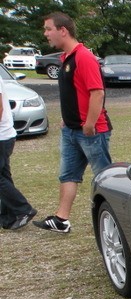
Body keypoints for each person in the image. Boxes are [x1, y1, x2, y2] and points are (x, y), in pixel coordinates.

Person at [34, 12, 112, 234]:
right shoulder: (66, 58)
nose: (46, 34)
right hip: (70, 131)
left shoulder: (84, 57)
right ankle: (61, 220)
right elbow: (74, 94)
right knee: (68, 175)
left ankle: (116, 220)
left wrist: (89, 124)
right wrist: (67, 120)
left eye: (48, 29)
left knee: (104, 178)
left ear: (63, 30)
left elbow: (97, 93)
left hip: (91, 132)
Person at [0, 74, 37, 230]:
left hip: (2, 136)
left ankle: (23, 209)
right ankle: (9, 216)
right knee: (4, 177)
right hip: (5, 135)